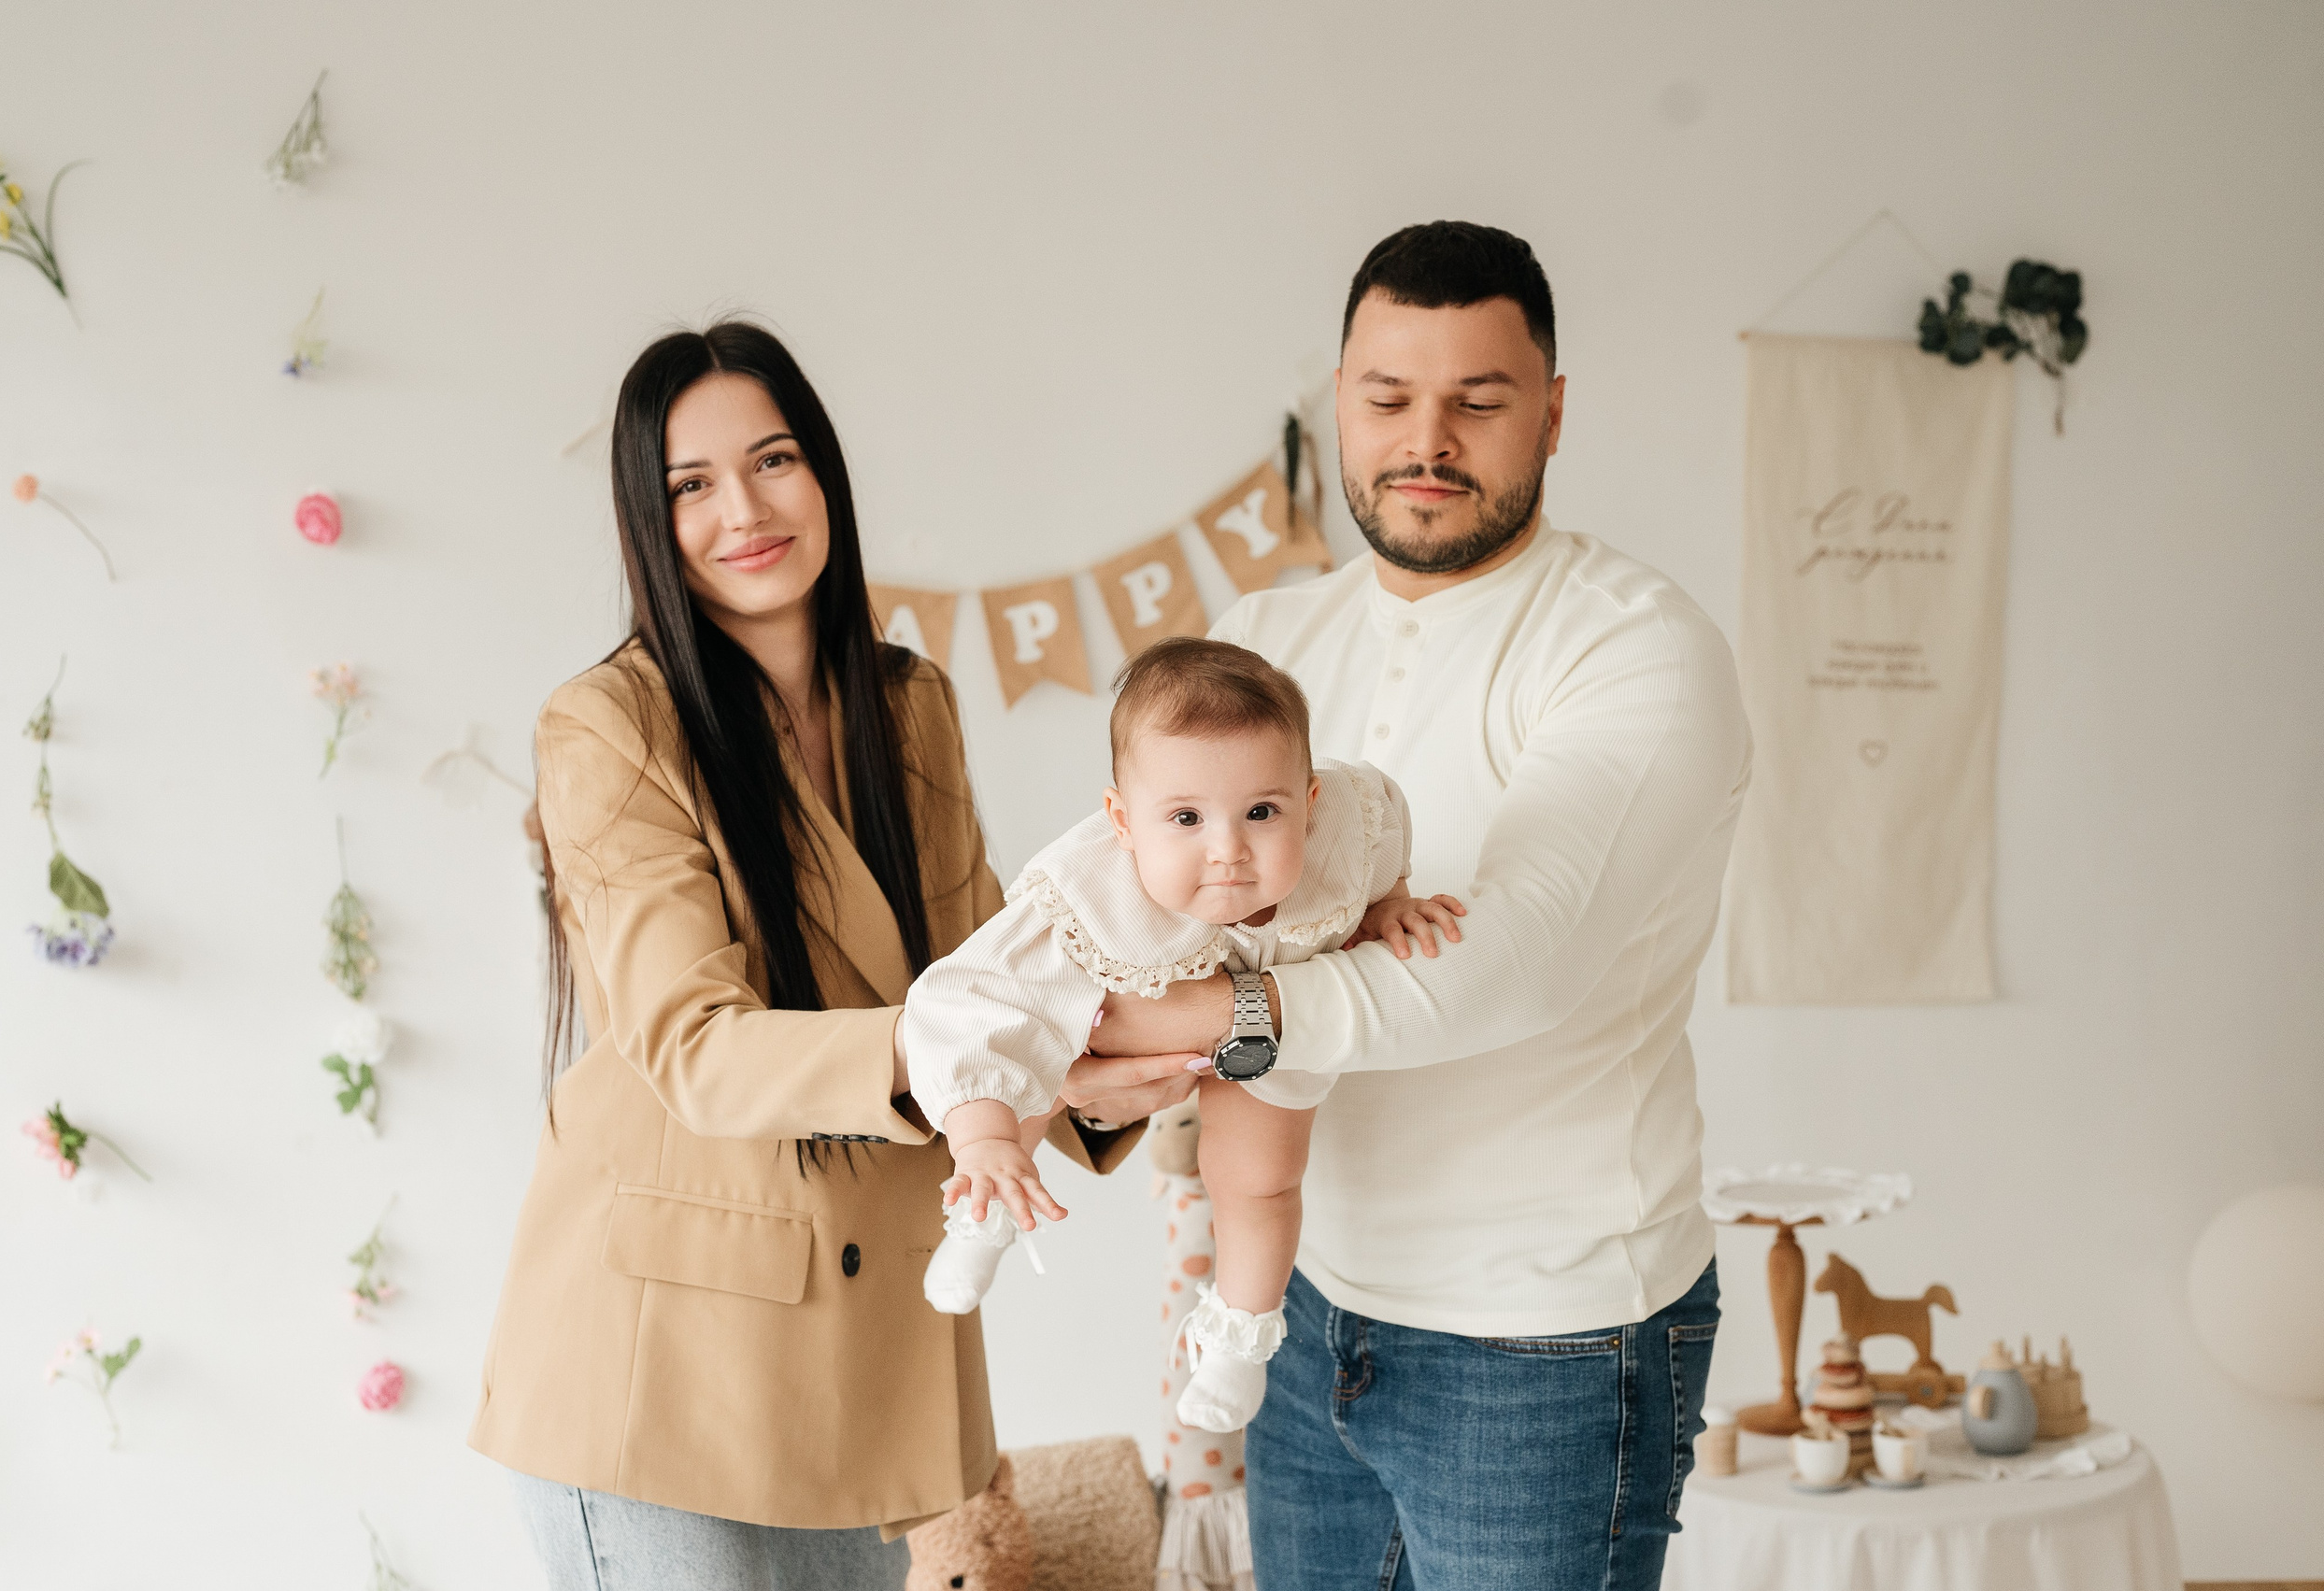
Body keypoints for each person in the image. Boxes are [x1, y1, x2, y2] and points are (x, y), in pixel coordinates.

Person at [468, 320, 1200, 1591]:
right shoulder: (609, 722)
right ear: (648, 519)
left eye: (774, 460)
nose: (744, 511)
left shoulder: (908, 704)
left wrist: (1136, 1049)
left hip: (861, 1358)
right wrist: (976, 1045)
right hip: (659, 1367)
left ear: (824, 474)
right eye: (691, 485)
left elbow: (995, 975)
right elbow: (695, 1045)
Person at [1091, 222, 1752, 1587]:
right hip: (1303, 1300)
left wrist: (1172, 1015)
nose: (1426, 441)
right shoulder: (1263, 643)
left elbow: (1505, 964)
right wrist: (1065, 1040)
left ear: (1552, 414)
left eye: (1478, 401)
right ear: (1339, 400)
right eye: (1389, 397)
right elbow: (1139, 897)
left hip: (1546, 1335)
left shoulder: (1638, 646)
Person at [899, 637, 1464, 1433]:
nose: (1228, 849)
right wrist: (982, 1136)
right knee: (1035, 1045)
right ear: (1123, 821)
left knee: (1262, 1178)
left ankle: (1240, 1335)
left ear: (1308, 800)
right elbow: (970, 1005)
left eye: (1262, 812)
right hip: (1127, 1004)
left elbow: (1383, 830)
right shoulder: (1087, 895)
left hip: (1270, 1021)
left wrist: (1391, 901)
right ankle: (985, 1203)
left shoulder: (1348, 822)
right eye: (1187, 818)